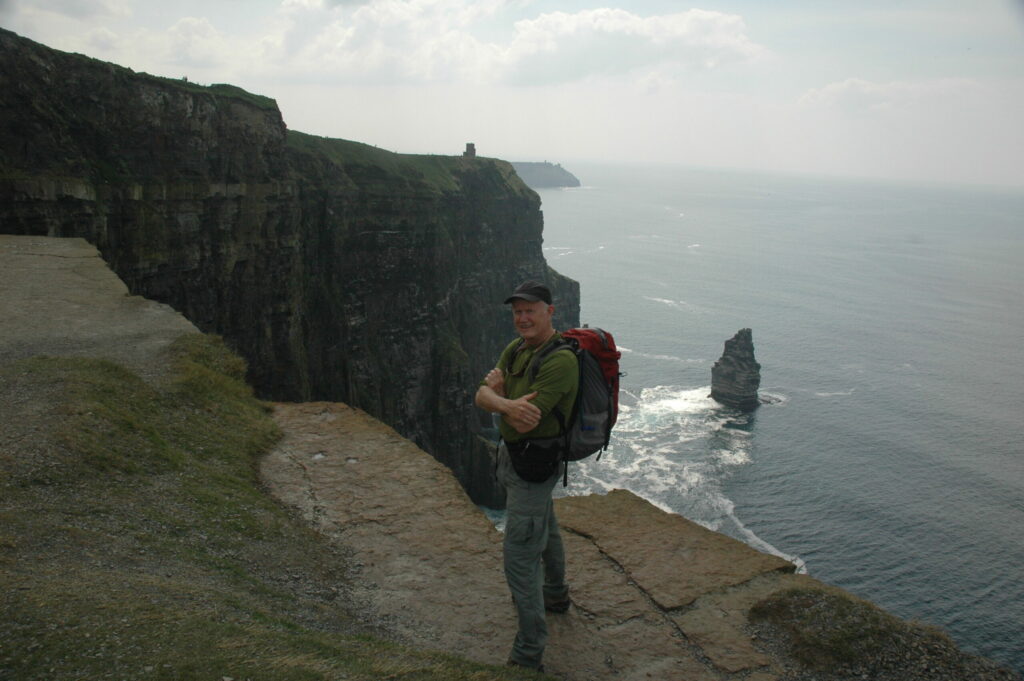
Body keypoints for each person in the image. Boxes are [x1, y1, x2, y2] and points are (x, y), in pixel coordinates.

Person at [474, 280, 579, 671]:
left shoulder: (560, 361)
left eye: (530, 310)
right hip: (513, 459)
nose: (522, 317)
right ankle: (555, 594)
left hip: (534, 464)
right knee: (545, 525)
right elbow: (481, 396)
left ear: (550, 311)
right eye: (517, 311)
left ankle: (528, 652)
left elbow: (523, 423)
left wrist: (497, 398)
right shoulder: (516, 349)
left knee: (519, 556)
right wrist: (503, 402)